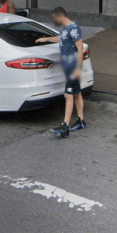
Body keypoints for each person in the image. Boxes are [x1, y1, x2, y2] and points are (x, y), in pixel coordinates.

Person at [36, 7, 86, 137]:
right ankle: (81, 120)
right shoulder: (65, 28)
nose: (54, 20)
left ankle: (65, 127)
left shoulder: (74, 28)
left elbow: (80, 48)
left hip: (73, 67)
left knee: (68, 95)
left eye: (54, 18)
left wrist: (78, 69)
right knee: (77, 94)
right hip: (69, 67)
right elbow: (61, 38)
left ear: (59, 16)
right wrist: (45, 39)